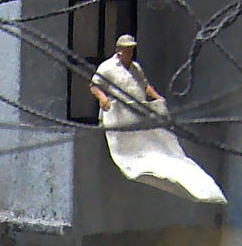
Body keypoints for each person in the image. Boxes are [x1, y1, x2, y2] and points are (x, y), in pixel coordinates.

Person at [87, 35, 226, 205]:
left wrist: (156, 97)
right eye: (126, 49)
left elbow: (144, 86)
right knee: (130, 150)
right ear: (119, 50)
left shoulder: (135, 68)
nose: (129, 52)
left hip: (137, 112)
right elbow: (95, 86)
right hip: (120, 113)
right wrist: (103, 98)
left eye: (131, 49)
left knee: (158, 146)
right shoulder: (108, 67)